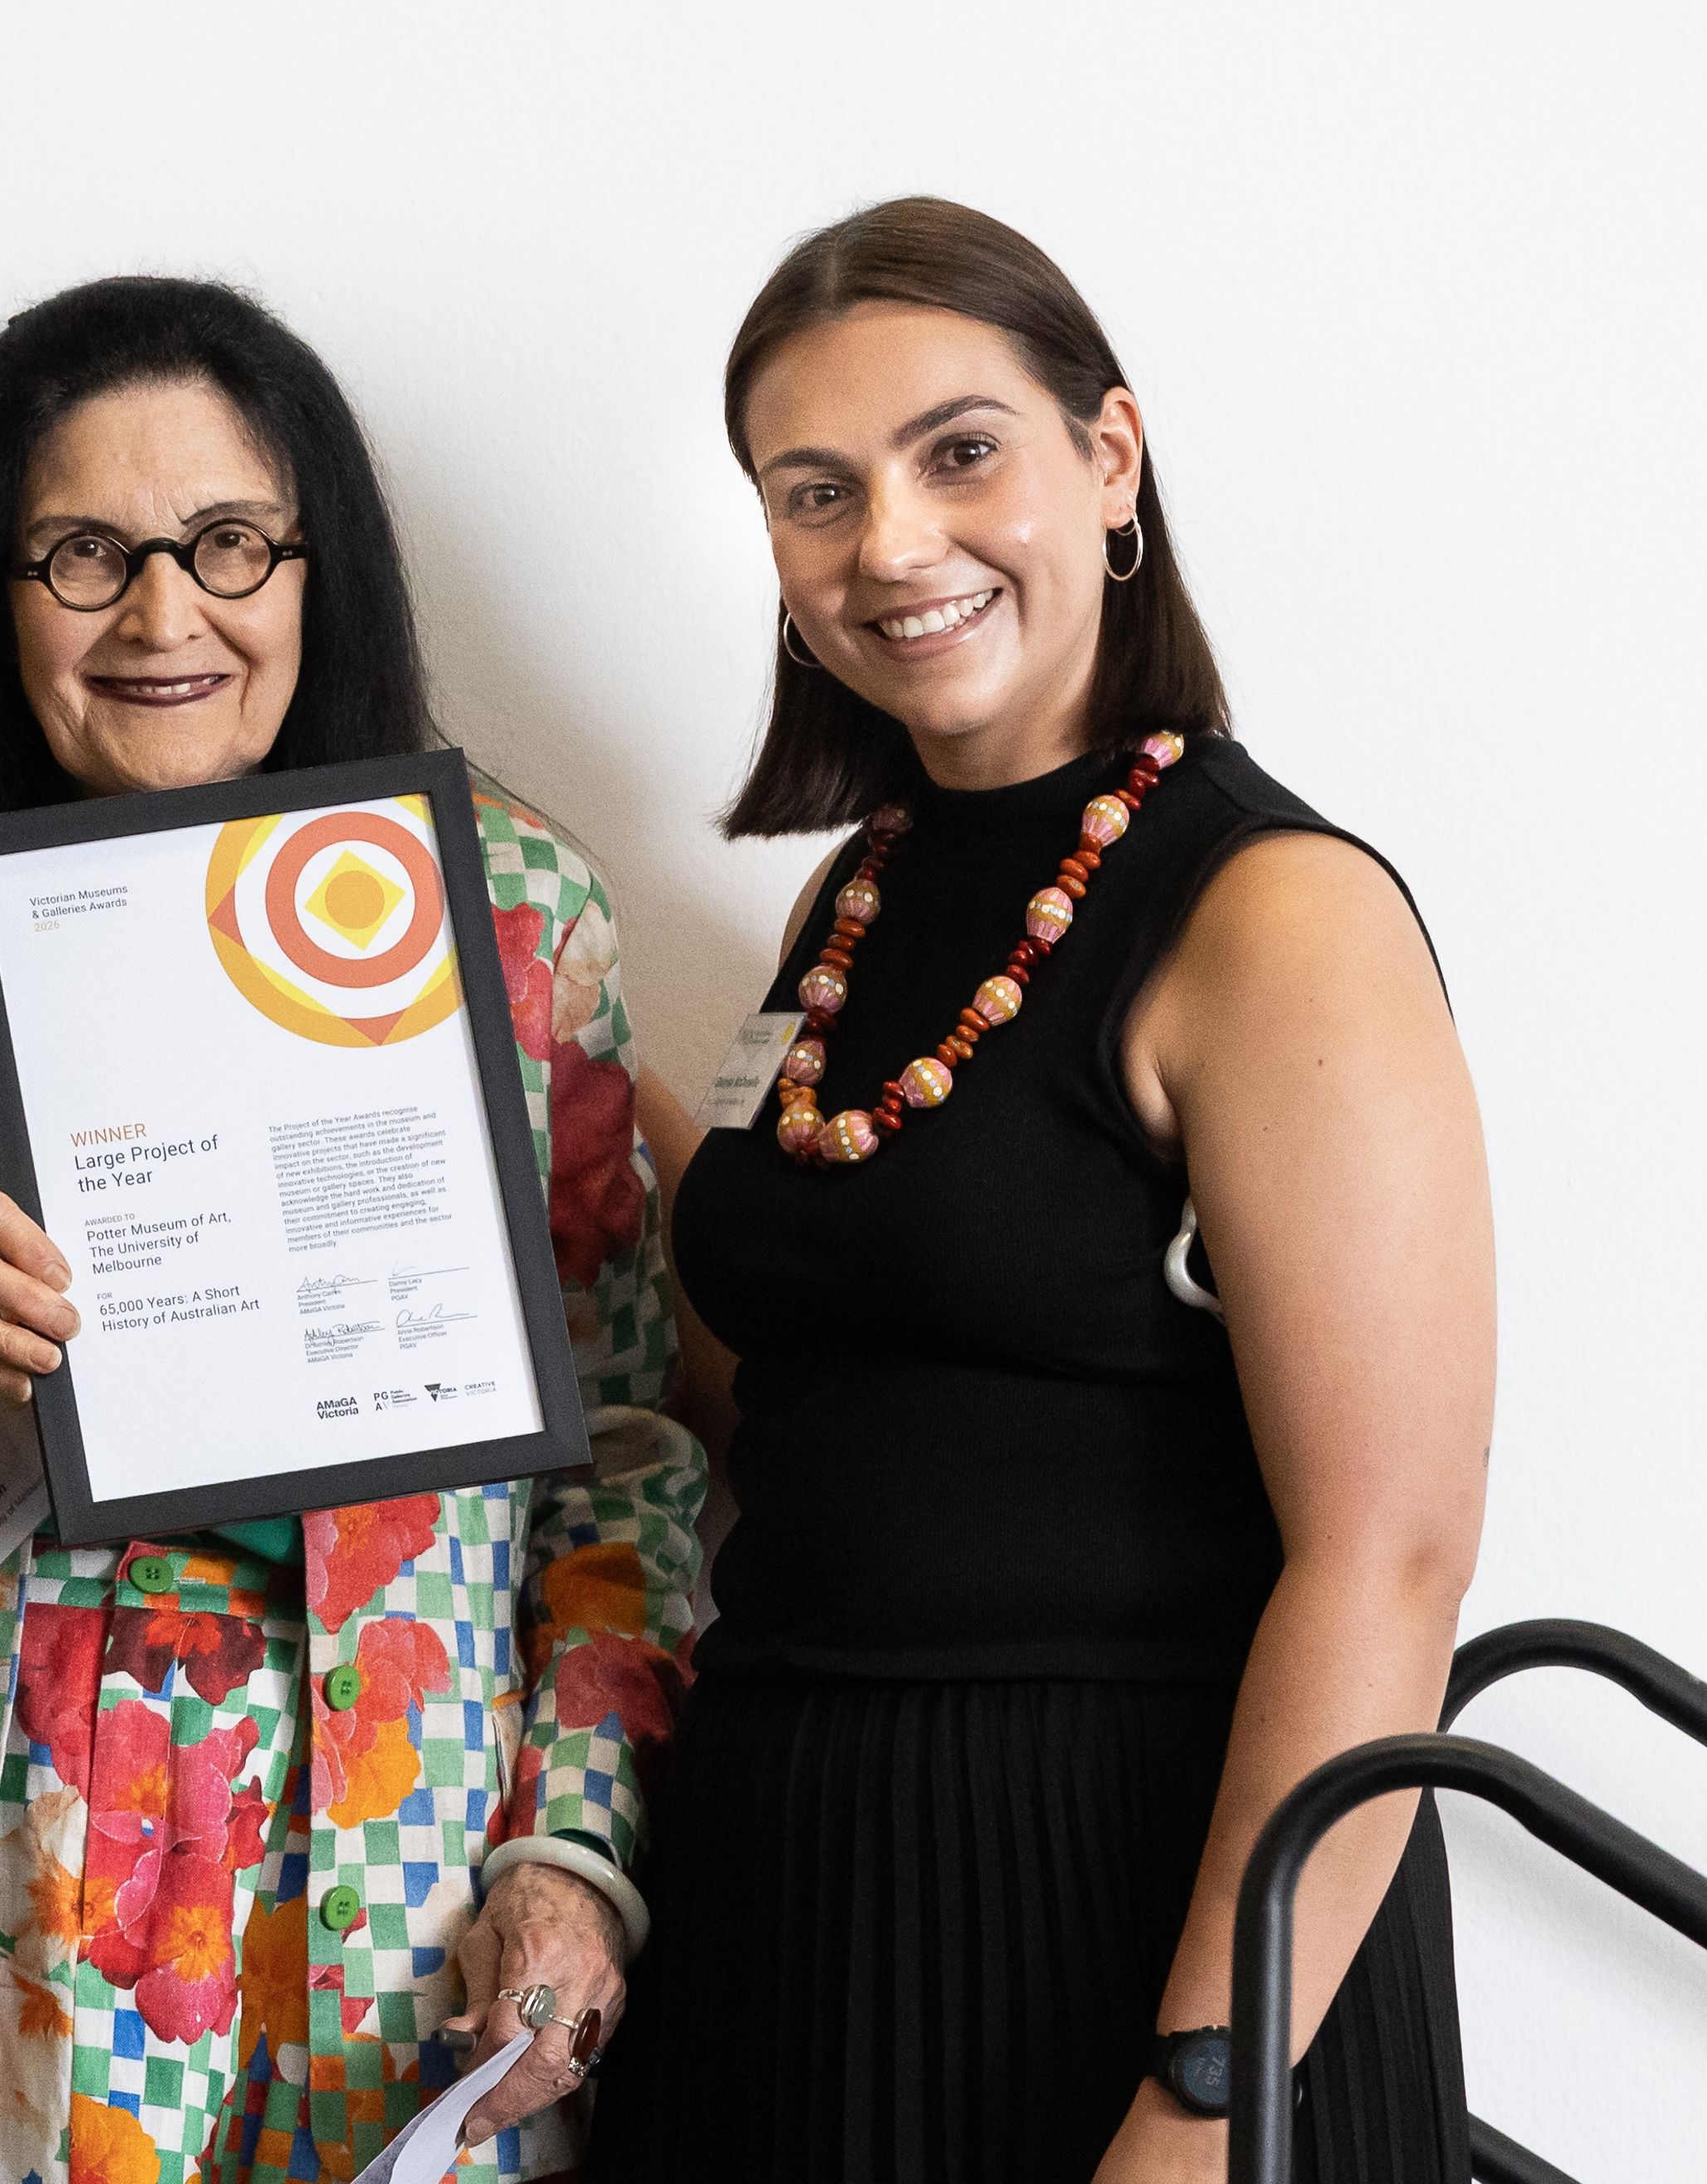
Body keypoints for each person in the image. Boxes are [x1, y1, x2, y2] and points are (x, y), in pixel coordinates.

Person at [0, 275, 703, 2184]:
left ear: (315, 569)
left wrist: (571, 1856)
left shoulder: (517, 922)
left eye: (223, 544)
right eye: (82, 554)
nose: (162, 614)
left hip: (391, 1893)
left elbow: (615, 1469)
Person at [593, 198, 1490, 2184]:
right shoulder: (861, 899)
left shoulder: (1272, 914)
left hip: (1128, 1909)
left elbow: (1392, 1562)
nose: (889, 544)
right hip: (795, 1880)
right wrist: (561, 1090)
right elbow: (815, 1407)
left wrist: (1203, 2093)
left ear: (1108, 459)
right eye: (812, 490)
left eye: (958, 451)